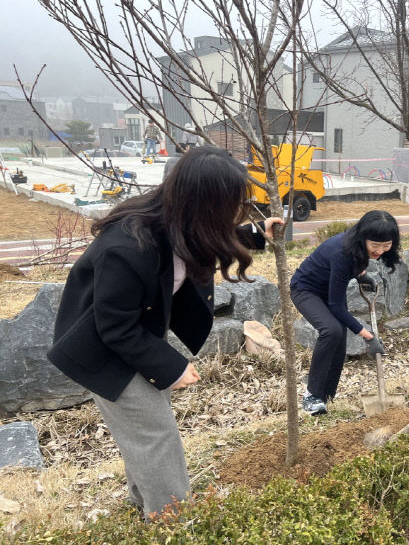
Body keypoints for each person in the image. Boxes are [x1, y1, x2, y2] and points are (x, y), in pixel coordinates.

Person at [47, 146, 284, 519]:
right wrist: (172, 367)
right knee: (156, 435)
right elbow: (114, 327)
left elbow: (208, 236)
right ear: (204, 204)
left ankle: (147, 504)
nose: (235, 211)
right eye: (228, 205)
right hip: (100, 349)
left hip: (133, 337)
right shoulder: (127, 247)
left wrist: (255, 234)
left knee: (143, 431)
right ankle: (170, 519)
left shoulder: (177, 218)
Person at [290, 210, 402, 415]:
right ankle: (311, 396)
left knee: (339, 341)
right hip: (307, 290)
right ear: (363, 238)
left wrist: (361, 275)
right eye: (375, 246)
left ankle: (326, 397)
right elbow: (336, 306)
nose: (380, 251)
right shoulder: (341, 252)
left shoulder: (358, 246)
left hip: (330, 289)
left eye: (386, 245)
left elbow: (355, 262)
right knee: (331, 330)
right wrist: (368, 336)